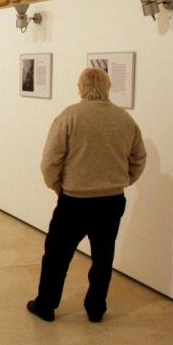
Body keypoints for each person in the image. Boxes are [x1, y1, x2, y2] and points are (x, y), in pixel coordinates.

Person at [27, 67, 147, 323]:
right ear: (108, 87)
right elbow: (139, 159)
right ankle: (96, 308)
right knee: (103, 257)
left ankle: (46, 305)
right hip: (112, 201)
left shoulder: (69, 116)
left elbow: (50, 162)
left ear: (81, 87)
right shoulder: (125, 119)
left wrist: (59, 187)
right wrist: (122, 181)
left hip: (74, 201)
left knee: (57, 256)